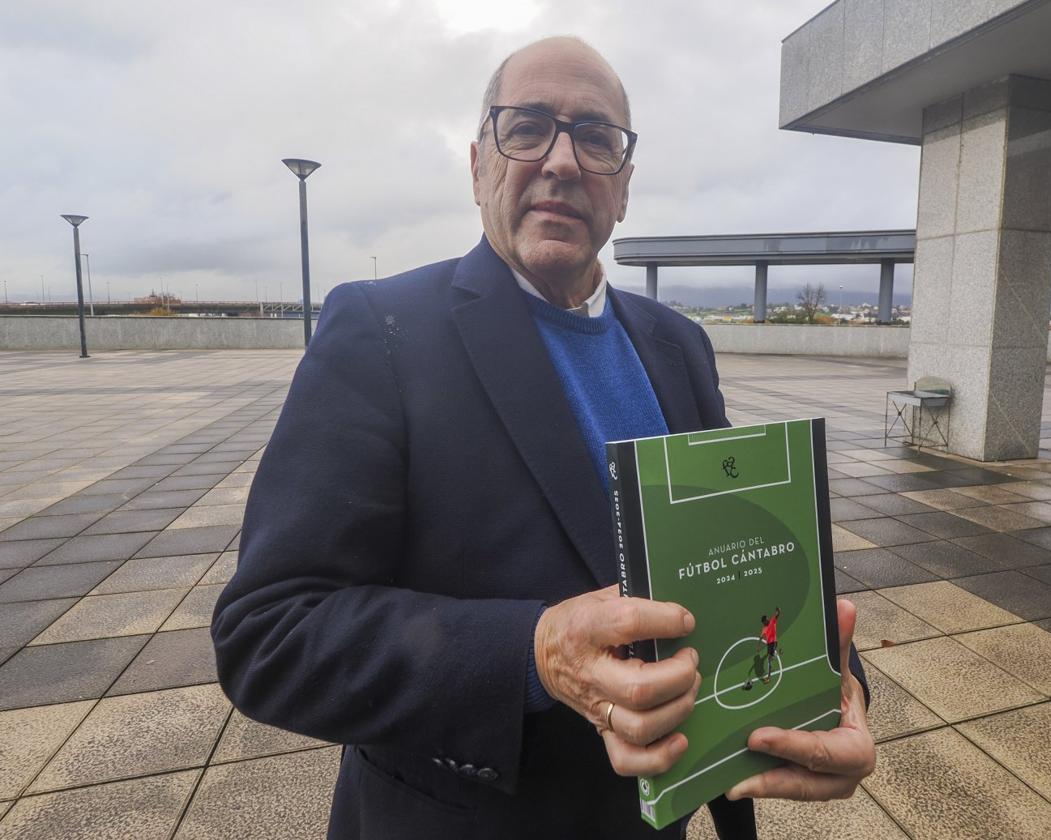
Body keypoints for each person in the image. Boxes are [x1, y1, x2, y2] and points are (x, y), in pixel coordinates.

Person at [212, 36, 874, 840]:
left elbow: (742, 559)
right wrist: (531, 652)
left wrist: (835, 682)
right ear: (478, 163)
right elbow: (269, 635)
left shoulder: (677, 345)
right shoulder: (381, 332)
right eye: (527, 126)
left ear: (623, 187)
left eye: (597, 137)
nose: (562, 160)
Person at [759, 607, 780, 683]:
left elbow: (777, 615)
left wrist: (778, 611)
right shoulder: (764, 628)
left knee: (769, 659)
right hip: (769, 644)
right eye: (764, 622)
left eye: (765, 620)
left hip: (774, 642)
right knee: (770, 657)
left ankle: (768, 678)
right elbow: (761, 636)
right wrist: (758, 645)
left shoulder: (772, 621)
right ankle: (776, 654)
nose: (765, 622)